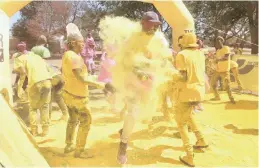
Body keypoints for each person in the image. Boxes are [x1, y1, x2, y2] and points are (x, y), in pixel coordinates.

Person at [113, 11, 171, 164]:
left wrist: (158, 66)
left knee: (141, 112)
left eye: (156, 25)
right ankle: (123, 145)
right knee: (133, 112)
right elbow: (124, 61)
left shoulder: (160, 39)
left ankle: (123, 131)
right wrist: (136, 71)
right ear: (143, 22)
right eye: (151, 24)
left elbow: (165, 59)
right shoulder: (132, 38)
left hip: (149, 81)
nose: (154, 27)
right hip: (132, 80)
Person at [62, 23, 107, 158]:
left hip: (68, 93)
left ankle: (68, 145)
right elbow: (81, 79)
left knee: (72, 120)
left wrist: (92, 77)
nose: (84, 45)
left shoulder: (67, 55)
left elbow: (74, 75)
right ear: (73, 43)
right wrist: (100, 85)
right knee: (85, 122)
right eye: (81, 43)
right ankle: (79, 151)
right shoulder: (75, 57)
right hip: (78, 97)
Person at [174, 32, 208, 167]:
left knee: (181, 124)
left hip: (186, 92)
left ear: (184, 43)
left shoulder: (181, 55)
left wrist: (170, 76)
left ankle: (189, 156)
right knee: (188, 116)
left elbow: (182, 77)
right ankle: (201, 140)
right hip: (199, 91)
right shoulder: (200, 53)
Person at [14, 50, 51, 136]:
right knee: (45, 106)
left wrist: (19, 87)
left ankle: (34, 130)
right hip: (47, 81)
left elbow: (22, 73)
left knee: (33, 108)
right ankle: (45, 130)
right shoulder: (36, 56)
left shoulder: (18, 59)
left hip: (35, 82)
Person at [210, 36, 235, 104]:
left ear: (222, 41)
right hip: (217, 70)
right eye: (217, 42)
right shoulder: (217, 51)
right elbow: (217, 60)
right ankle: (217, 96)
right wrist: (214, 61)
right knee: (213, 84)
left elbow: (226, 57)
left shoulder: (226, 48)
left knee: (227, 86)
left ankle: (231, 98)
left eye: (219, 41)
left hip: (225, 71)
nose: (218, 43)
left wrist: (217, 60)